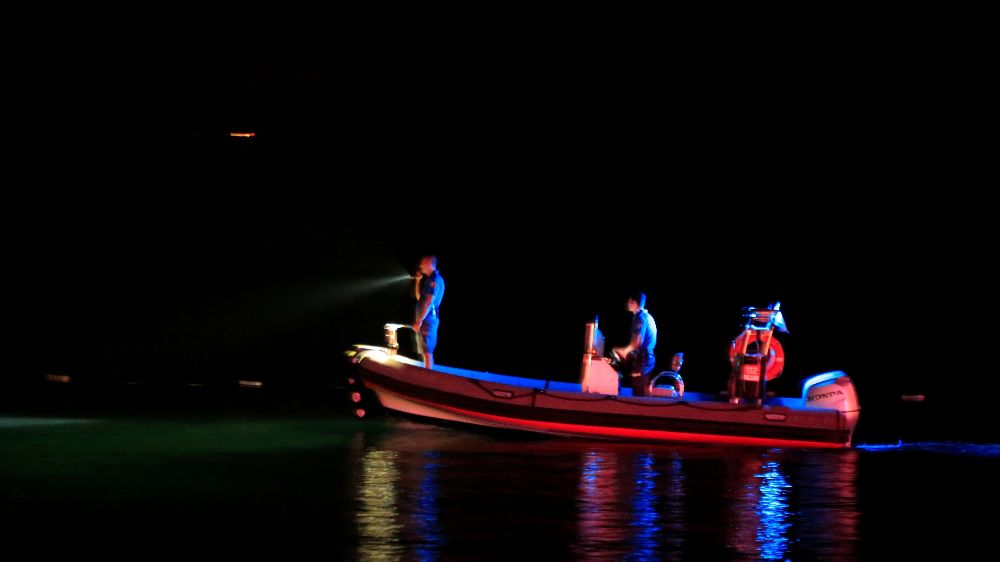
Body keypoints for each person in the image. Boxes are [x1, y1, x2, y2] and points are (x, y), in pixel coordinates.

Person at [612, 291, 657, 397]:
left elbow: (637, 342)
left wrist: (623, 351)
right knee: (641, 392)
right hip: (647, 359)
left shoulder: (639, 317)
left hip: (643, 361)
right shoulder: (648, 317)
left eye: (629, 301)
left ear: (634, 302)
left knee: (638, 394)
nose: (627, 303)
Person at [412, 255, 445, 369]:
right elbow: (419, 298)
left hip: (429, 319)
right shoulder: (430, 279)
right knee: (425, 350)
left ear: (430, 263)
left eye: (423, 262)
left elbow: (429, 301)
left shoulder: (435, 279)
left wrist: (420, 321)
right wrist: (418, 281)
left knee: (427, 351)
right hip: (426, 319)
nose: (421, 265)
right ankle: (427, 374)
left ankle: (428, 377)